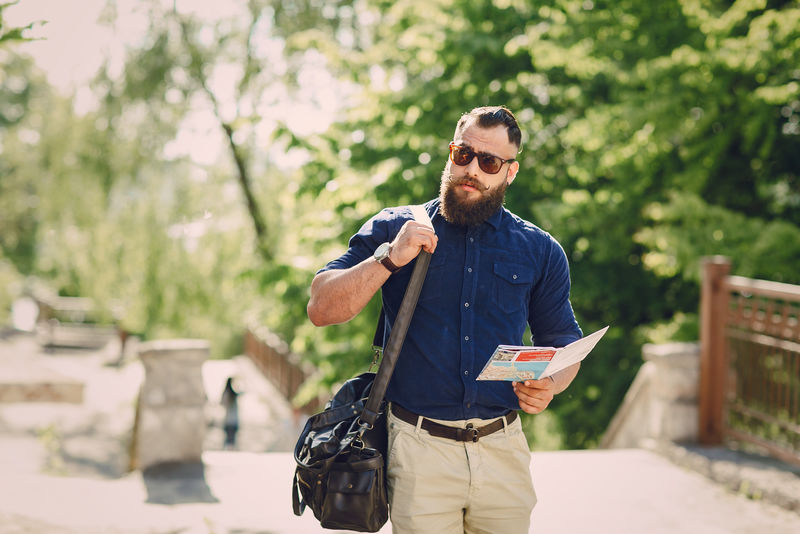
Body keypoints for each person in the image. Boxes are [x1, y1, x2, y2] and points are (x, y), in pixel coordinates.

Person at [307, 105, 583, 533]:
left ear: (509, 172)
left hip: (503, 449)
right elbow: (322, 308)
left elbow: (565, 347)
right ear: (450, 153)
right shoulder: (395, 228)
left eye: (488, 161)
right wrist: (388, 258)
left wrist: (550, 384)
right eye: (463, 154)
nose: (472, 169)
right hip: (418, 450)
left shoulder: (540, 249)